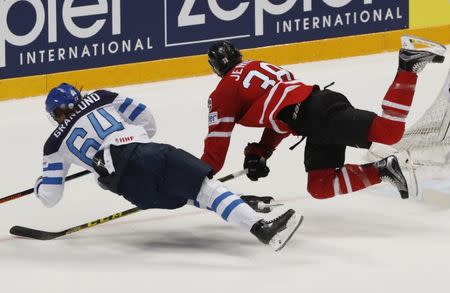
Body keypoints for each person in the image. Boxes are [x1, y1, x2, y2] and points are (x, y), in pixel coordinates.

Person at [33, 83, 303, 251]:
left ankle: (239, 205)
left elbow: (50, 197)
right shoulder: (102, 97)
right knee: (205, 188)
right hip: (145, 154)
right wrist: (135, 138)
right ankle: (261, 228)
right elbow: (146, 118)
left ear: (56, 115)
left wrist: (39, 186)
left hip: (130, 189)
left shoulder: (54, 144)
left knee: (190, 194)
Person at [201, 37, 446, 199]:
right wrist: (261, 151)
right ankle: (384, 171)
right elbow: (282, 114)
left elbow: (216, 147)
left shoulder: (223, 92)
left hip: (317, 115)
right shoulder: (260, 67)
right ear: (239, 55)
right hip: (315, 113)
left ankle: (408, 66)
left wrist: (195, 174)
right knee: (320, 185)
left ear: (216, 69)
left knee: (389, 132)